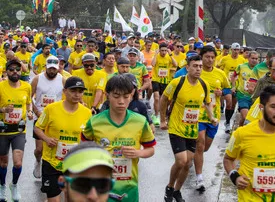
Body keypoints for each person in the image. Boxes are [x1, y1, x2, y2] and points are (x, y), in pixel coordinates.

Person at [82, 74, 156, 202]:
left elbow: (151, 149)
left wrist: (137, 153)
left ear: (131, 95)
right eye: (116, 96)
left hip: (129, 188)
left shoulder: (140, 121)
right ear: (107, 95)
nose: (121, 101)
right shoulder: (94, 122)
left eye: (126, 96)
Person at [223, 85, 275, 202]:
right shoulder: (241, 134)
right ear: (261, 107)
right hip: (249, 198)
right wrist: (235, 177)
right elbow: (228, 159)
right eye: (273, 107)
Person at [160, 55, 211, 202]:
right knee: (181, 161)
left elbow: (207, 103)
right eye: (195, 66)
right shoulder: (177, 82)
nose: (198, 69)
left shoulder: (204, 84)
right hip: (176, 127)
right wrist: (162, 120)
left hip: (192, 129)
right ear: (187, 67)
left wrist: (212, 116)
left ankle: (177, 191)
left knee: (188, 163)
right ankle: (169, 187)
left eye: (200, 66)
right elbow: (164, 99)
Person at [34, 77, 92, 202]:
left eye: (80, 91)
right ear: (65, 91)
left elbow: (89, 137)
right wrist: (46, 139)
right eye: (73, 91)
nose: (77, 95)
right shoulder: (51, 109)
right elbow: (37, 128)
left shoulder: (87, 113)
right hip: (52, 162)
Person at [194, 46, 230, 191]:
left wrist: (221, 92)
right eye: (207, 57)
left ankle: (195, 156)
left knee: (205, 147)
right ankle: (199, 178)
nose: (210, 60)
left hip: (213, 117)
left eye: (212, 57)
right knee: (200, 144)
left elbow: (228, 89)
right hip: (197, 116)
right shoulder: (197, 72)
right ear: (201, 57)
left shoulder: (220, 74)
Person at [0, 59, 33, 201]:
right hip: (3, 130)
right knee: (3, 163)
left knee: (18, 162)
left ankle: (14, 185)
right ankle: (2, 186)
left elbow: (28, 103)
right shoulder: (1, 86)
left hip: (19, 130)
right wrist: (3, 109)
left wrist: (30, 112)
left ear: (21, 71)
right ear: (6, 71)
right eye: (12, 69)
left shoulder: (26, 86)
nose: (15, 72)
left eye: (17, 70)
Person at [31, 56, 66, 179]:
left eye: (54, 69)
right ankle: (38, 160)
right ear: (46, 67)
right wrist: (35, 111)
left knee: (54, 146)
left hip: (55, 118)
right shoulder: (37, 79)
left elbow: (66, 98)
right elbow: (29, 97)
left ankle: (53, 171)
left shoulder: (62, 80)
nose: (52, 71)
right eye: (50, 68)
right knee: (39, 149)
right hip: (40, 116)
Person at [219, 43, 245, 133]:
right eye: (234, 50)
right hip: (227, 85)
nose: (236, 52)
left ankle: (227, 122)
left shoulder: (242, 60)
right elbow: (217, 67)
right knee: (229, 103)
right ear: (231, 50)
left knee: (233, 105)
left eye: (238, 50)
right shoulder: (225, 59)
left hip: (237, 85)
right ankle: (227, 123)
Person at [151, 43, 177, 126]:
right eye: (162, 50)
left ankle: (164, 114)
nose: (164, 52)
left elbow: (176, 64)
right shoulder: (157, 56)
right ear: (159, 50)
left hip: (165, 81)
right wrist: (155, 54)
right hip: (156, 79)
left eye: (165, 50)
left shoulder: (169, 56)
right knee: (156, 98)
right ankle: (156, 115)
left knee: (165, 100)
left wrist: (171, 54)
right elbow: (153, 64)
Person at [231, 51, 259, 126]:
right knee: (245, 117)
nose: (254, 60)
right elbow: (233, 76)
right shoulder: (241, 66)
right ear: (248, 58)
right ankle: (240, 130)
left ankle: (241, 129)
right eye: (252, 58)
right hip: (242, 95)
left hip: (255, 98)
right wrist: (233, 86)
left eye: (256, 58)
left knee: (249, 119)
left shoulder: (260, 69)